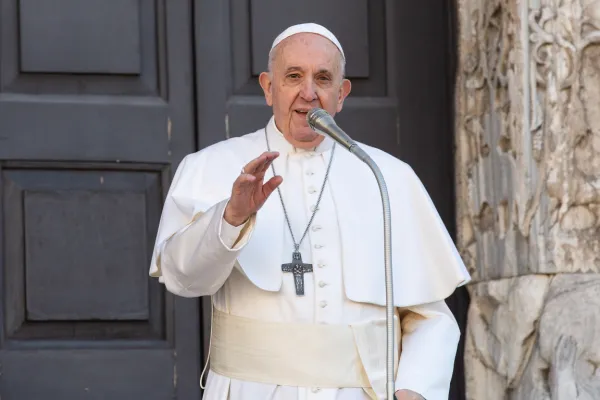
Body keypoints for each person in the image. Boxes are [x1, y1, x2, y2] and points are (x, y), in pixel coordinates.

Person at [149, 23, 471, 400]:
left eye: (323, 78)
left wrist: (414, 390)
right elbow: (182, 279)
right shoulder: (212, 167)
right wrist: (230, 219)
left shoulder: (388, 177)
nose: (308, 93)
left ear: (341, 94)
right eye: (293, 76)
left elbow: (430, 316)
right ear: (268, 87)